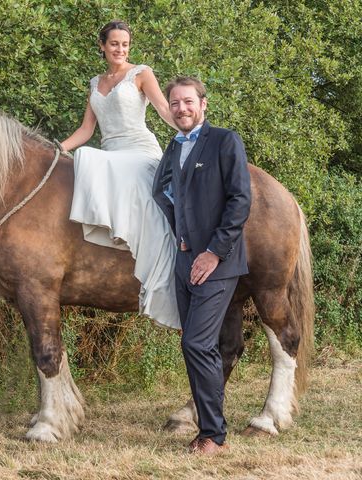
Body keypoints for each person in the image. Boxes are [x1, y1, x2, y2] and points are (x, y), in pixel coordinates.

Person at [152, 76, 251, 454]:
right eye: (175, 103)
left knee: (198, 343)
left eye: (188, 102)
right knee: (193, 346)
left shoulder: (225, 141)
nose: (181, 109)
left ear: (203, 104)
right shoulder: (173, 147)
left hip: (218, 263)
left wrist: (213, 251)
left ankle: (214, 435)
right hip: (184, 261)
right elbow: (162, 189)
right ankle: (208, 430)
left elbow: (240, 200)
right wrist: (180, 231)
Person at [61, 20, 180, 330]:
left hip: (139, 150)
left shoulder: (141, 73)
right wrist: (56, 148)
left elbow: (164, 110)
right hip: (112, 153)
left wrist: (190, 128)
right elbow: (87, 130)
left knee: (100, 166)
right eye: (114, 43)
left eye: (125, 44)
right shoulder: (94, 83)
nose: (120, 49)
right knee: (84, 158)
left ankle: (162, 264)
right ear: (102, 45)